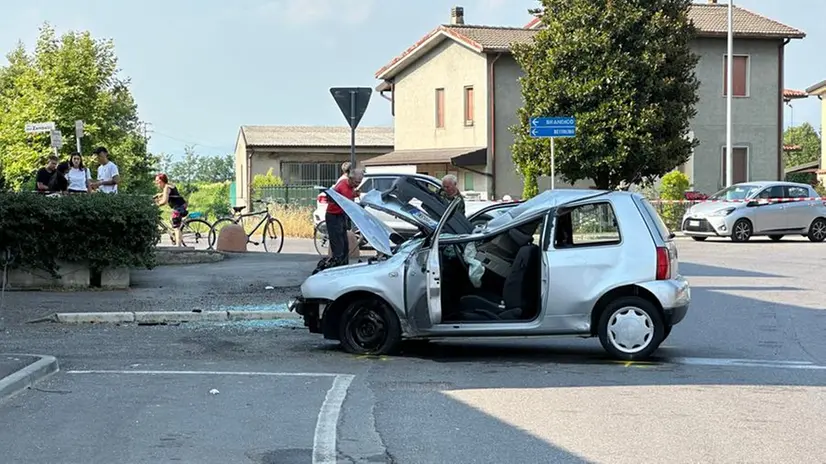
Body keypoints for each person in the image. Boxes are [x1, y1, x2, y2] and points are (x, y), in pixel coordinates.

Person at [326, 168, 363, 265]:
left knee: (345, 245)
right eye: (356, 182)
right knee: (339, 245)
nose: (357, 185)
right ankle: (337, 266)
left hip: (341, 216)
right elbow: (345, 201)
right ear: (350, 179)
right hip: (333, 216)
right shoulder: (342, 185)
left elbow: (348, 196)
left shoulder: (349, 186)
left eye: (359, 182)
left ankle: (343, 266)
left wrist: (354, 194)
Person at [153, 173, 188, 247]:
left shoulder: (166, 188)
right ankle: (175, 238)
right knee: (172, 221)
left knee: (176, 227)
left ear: (161, 180)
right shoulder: (169, 185)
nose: (156, 182)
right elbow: (170, 193)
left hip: (179, 207)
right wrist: (161, 194)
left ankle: (178, 247)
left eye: (157, 181)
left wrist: (156, 205)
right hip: (182, 205)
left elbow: (164, 201)